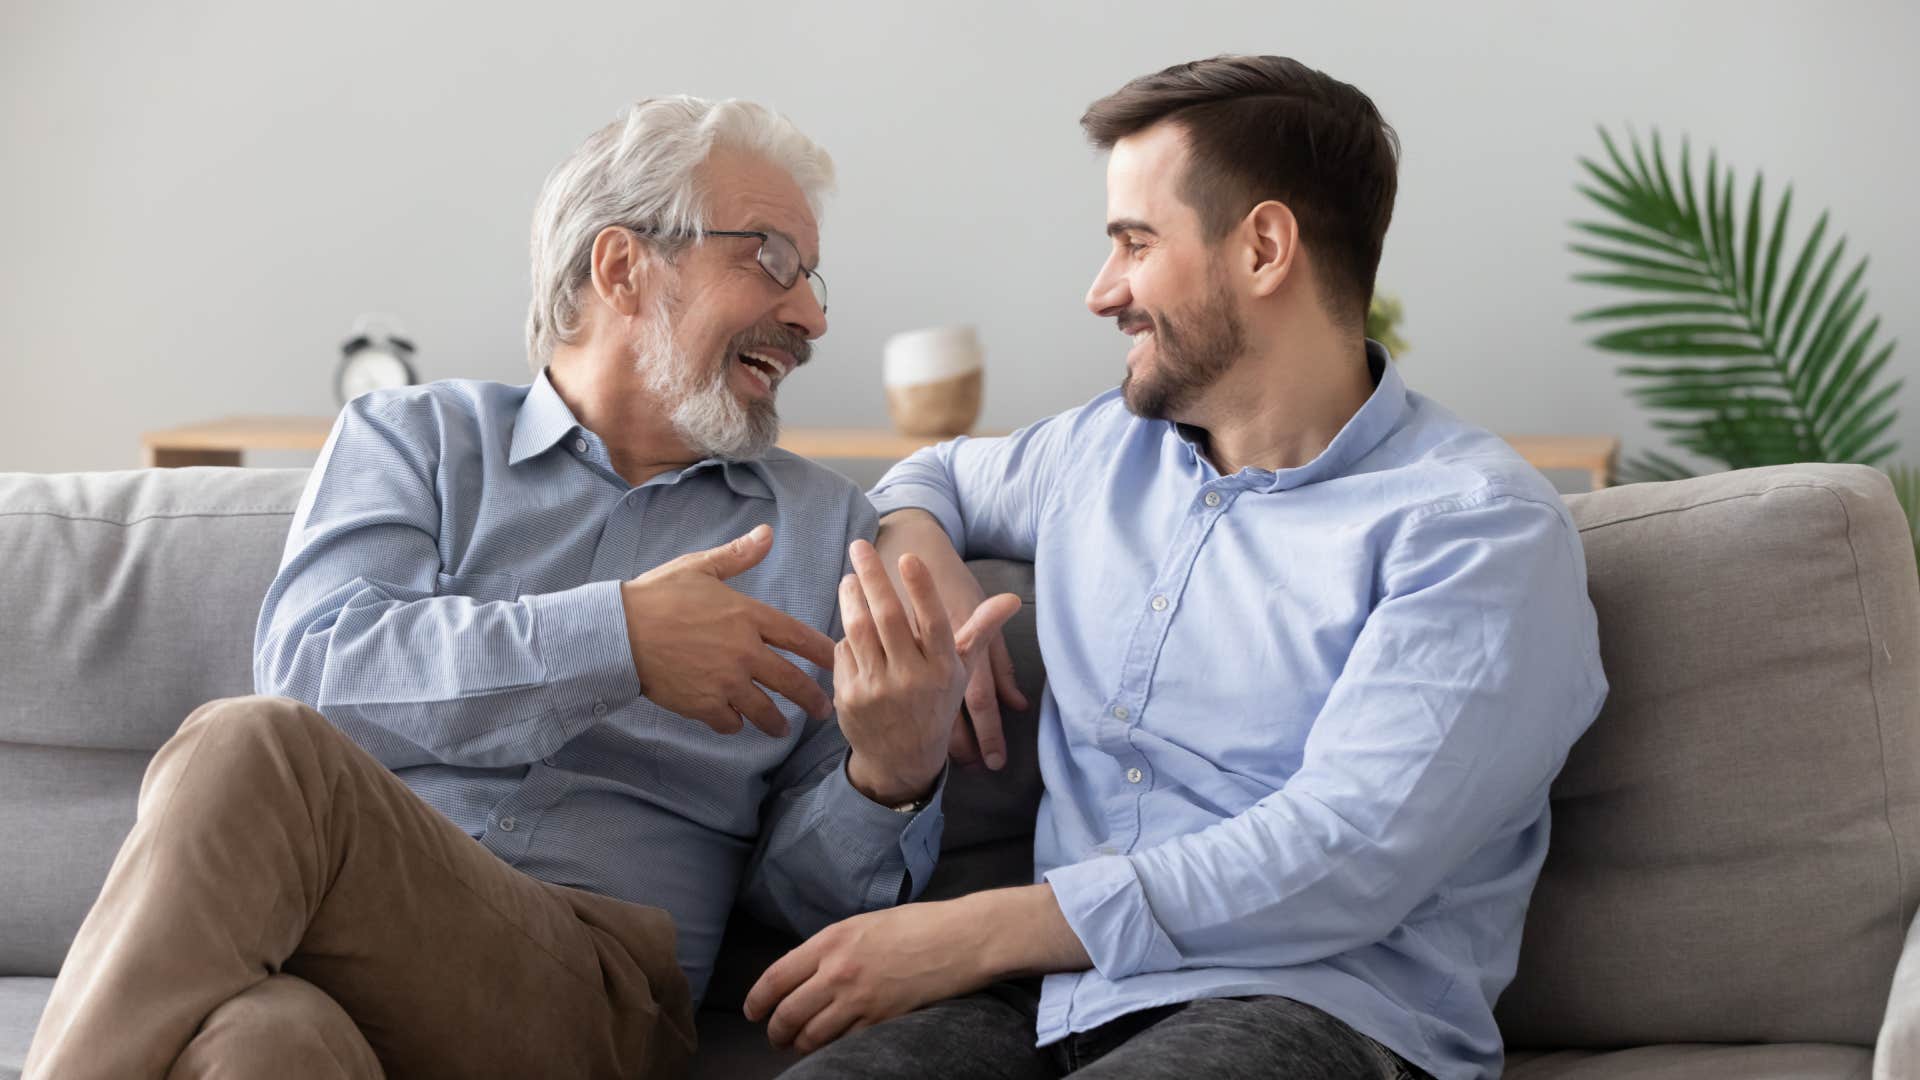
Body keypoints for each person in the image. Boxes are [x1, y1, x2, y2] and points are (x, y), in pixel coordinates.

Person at [24, 95, 1013, 1080]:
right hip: (344, 945)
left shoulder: (822, 529)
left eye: (812, 277)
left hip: (596, 992)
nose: (813, 315)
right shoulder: (415, 443)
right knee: (261, 1042)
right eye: (772, 260)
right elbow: (313, 671)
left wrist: (887, 776)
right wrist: (616, 638)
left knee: (250, 749)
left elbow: (807, 922)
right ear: (623, 267)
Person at [744, 55, 1607, 1080]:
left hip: (1317, 1008)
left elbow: (1345, 857)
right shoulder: (1099, 452)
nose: (1101, 290)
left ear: (1265, 248)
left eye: (1134, 244)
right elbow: (926, 476)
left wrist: (979, 931)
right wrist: (926, 559)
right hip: (1051, 1004)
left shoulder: (1476, 529)